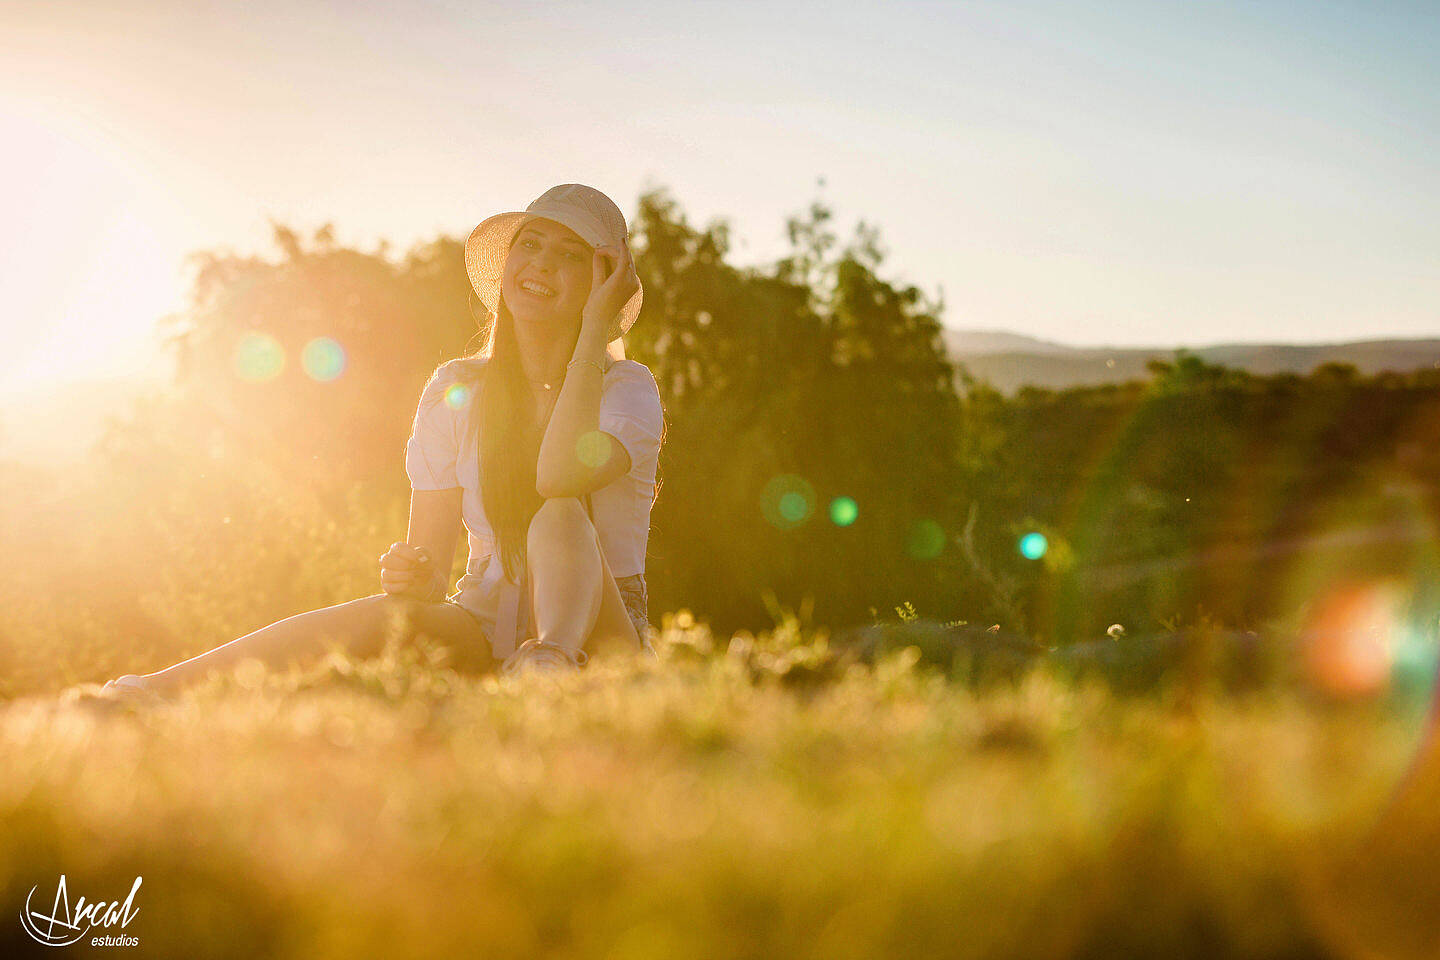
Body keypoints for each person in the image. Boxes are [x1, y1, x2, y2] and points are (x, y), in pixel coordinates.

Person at [103, 183, 664, 697]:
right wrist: (414, 573)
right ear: (508, 263)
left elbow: (558, 476)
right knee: (385, 615)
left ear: (602, 286)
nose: (542, 264)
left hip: (600, 638)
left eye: (571, 256)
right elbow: (433, 571)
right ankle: (153, 692)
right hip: (485, 622)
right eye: (532, 244)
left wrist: (595, 332)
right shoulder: (457, 390)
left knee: (561, 513)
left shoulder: (627, 391)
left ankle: (551, 663)